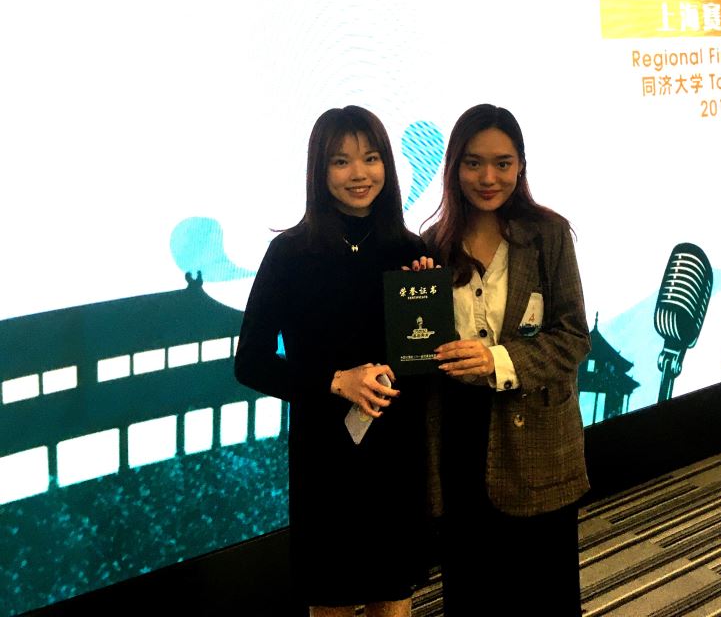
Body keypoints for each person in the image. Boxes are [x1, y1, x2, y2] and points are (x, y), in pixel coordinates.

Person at [234, 106, 428, 617]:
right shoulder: (289, 253)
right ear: (319, 171)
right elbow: (250, 362)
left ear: (387, 165)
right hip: (325, 457)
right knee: (331, 601)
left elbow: (424, 367)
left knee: (393, 596)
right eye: (341, 161)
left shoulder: (411, 251)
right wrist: (336, 380)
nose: (359, 174)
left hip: (395, 455)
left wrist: (427, 298)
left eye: (371, 158)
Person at [419, 104, 591, 617]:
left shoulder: (548, 236)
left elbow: (573, 337)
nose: (488, 177)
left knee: (543, 593)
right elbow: (420, 352)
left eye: (503, 163)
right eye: (473, 163)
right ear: (454, 167)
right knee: (473, 591)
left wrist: (497, 361)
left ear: (521, 166)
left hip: (537, 438)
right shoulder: (431, 246)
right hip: (460, 438)